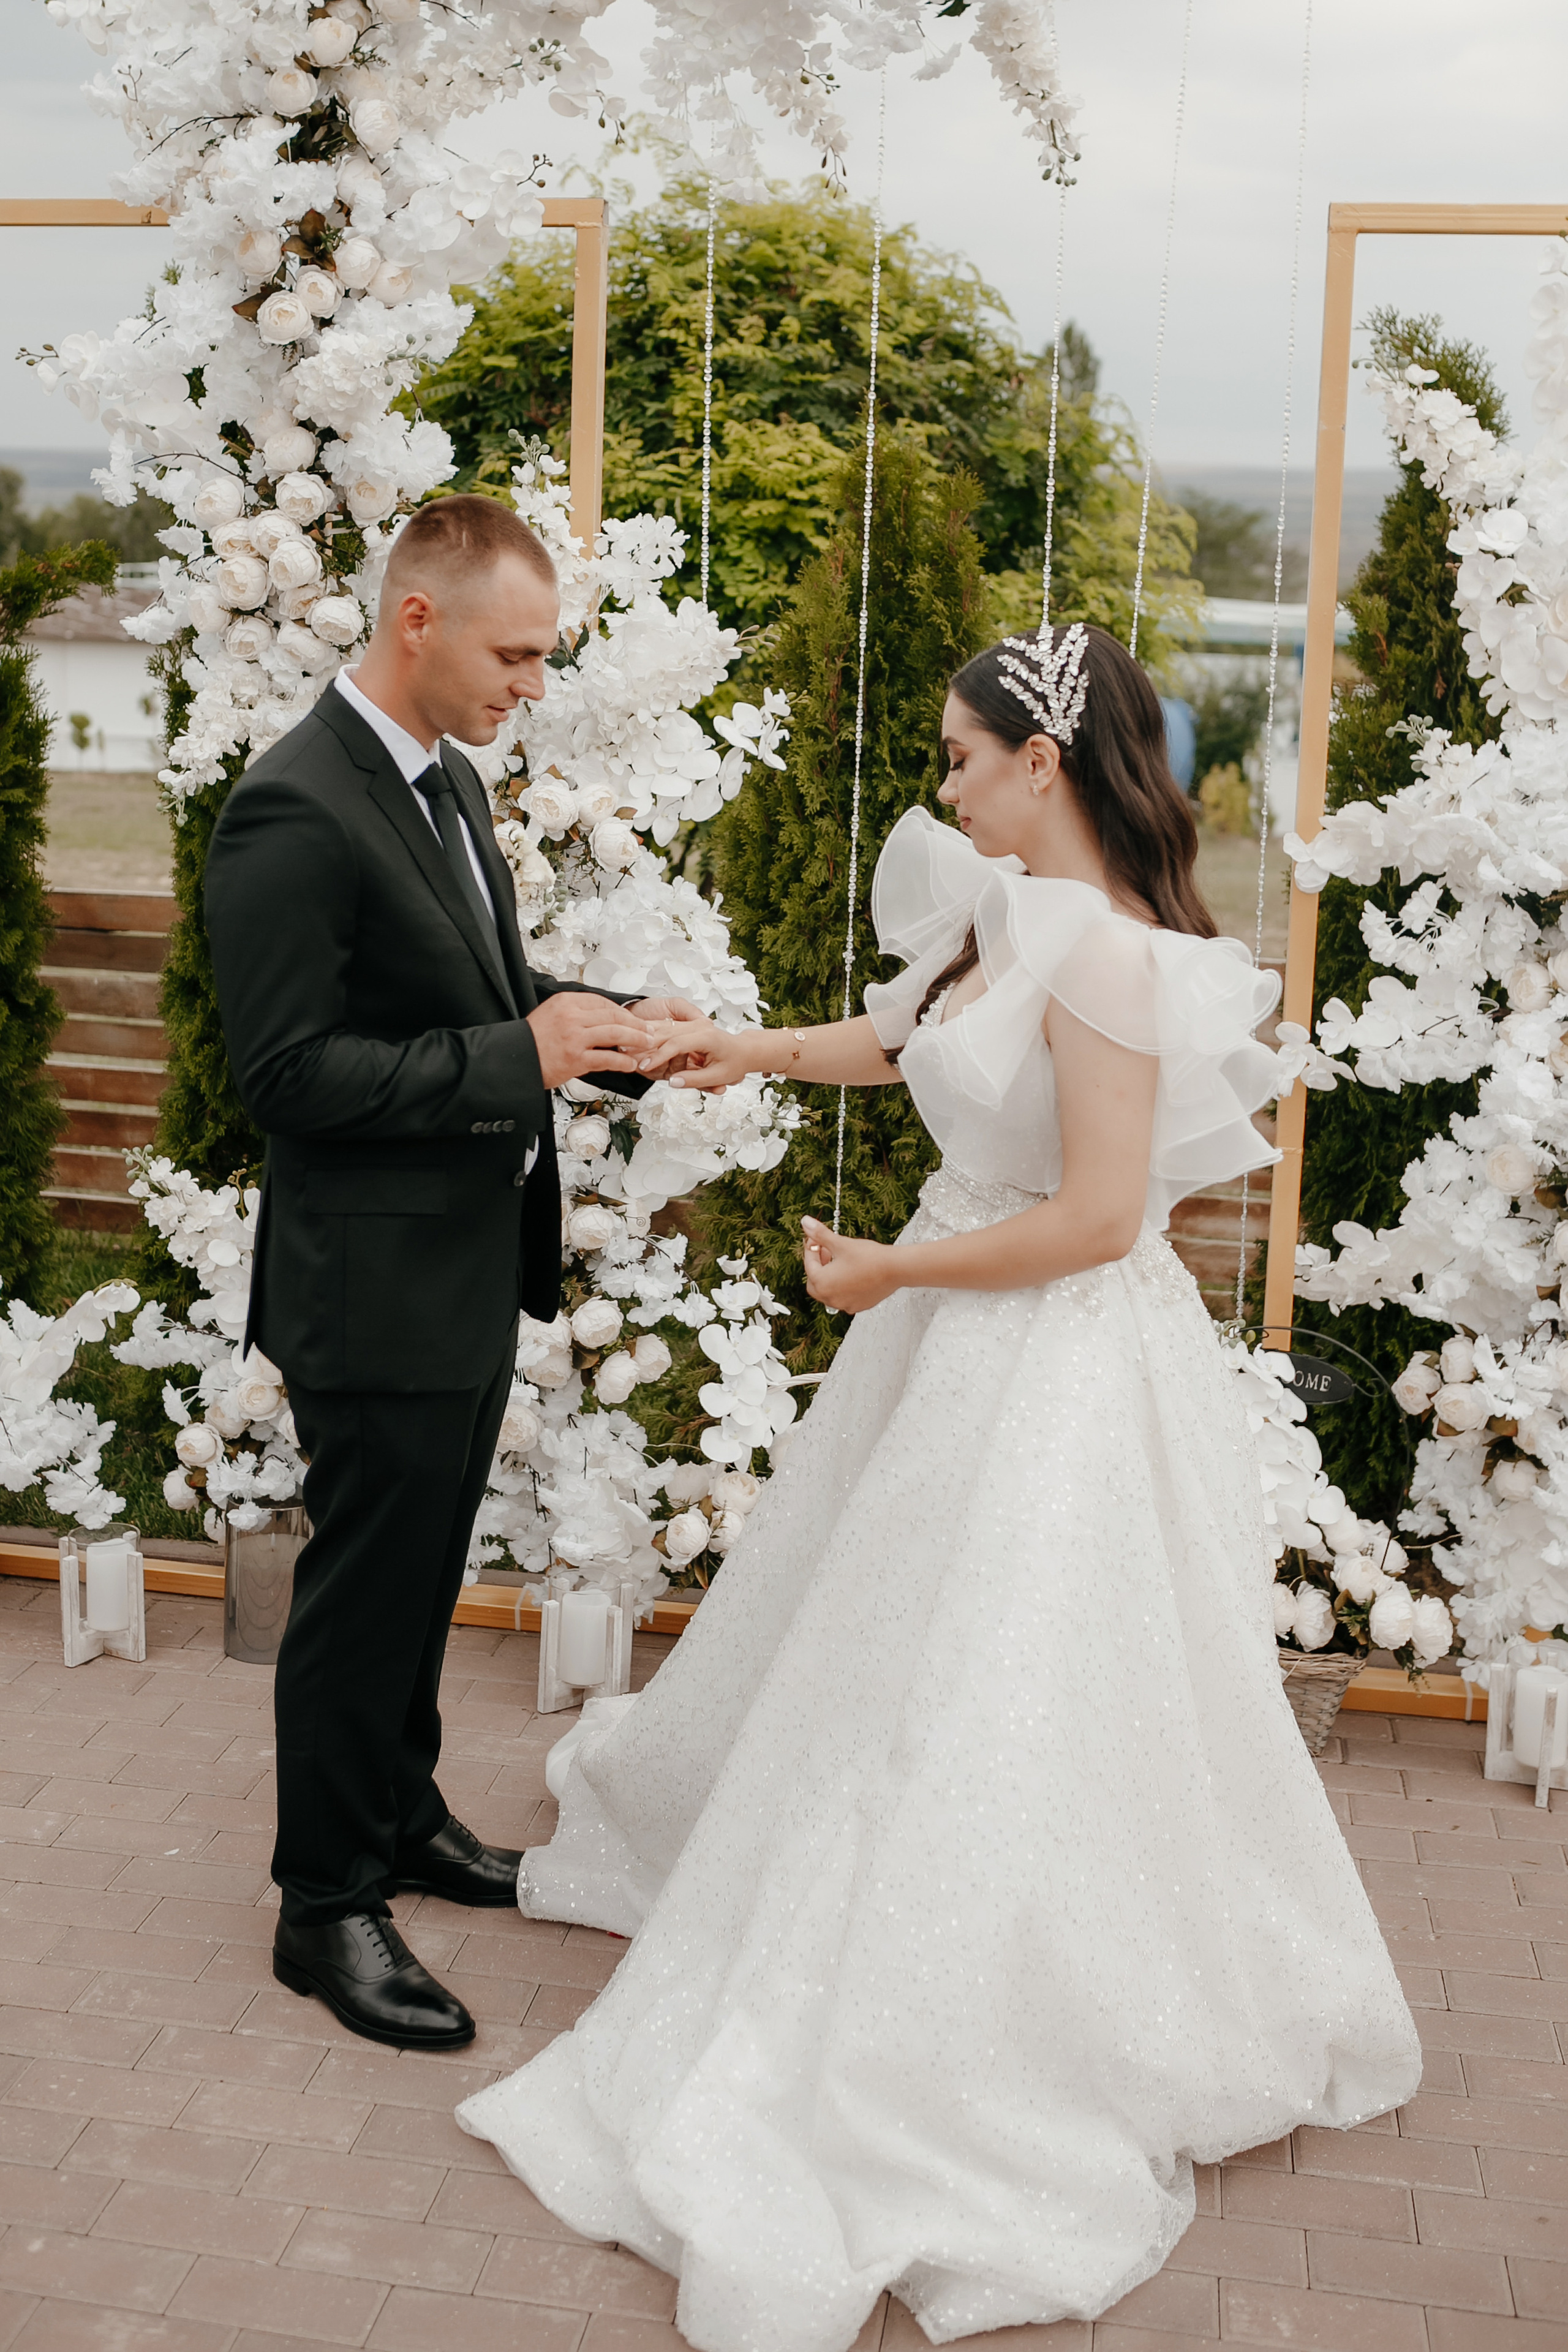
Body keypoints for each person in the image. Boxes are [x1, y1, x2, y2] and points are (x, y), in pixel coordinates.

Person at [455, 620, 1422, 2349]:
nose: (944, 780)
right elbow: (897, 1044)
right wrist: (735, 1048)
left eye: (963, 756)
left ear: (1041, 762)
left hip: (1046, 1361)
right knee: (884, 1652)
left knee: (999, 1680)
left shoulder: (1117, 960)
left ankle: (986, 2008)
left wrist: (893, 1276)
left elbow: (1105, 1220)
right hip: (947, 1335)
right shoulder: (997, 915)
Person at [204, 496, 693, 2052]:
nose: (531, 685)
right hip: (373, 1289)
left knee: (417, 1582)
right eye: (516, 653)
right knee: (358, 1601)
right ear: (416, 618)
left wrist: (608, 1029)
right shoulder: (292, 806)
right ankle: (323, 1905)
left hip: (466, 1271)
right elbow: (283, 1075)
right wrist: (511, 1053)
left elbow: (479, 992)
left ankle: (401, 1817)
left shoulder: (448, 783)